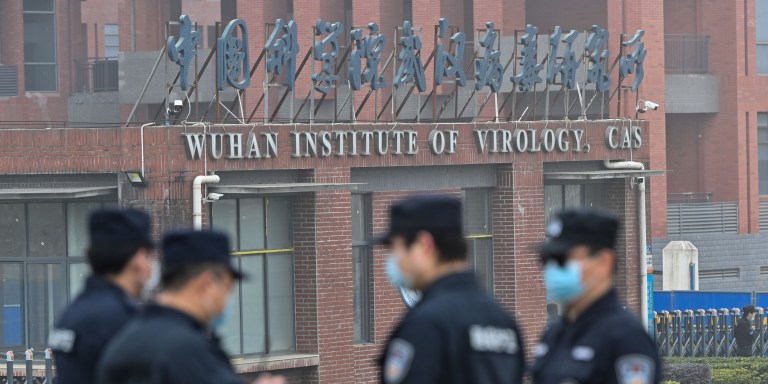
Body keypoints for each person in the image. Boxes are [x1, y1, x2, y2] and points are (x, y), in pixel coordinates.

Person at [96, 230, 283, 384]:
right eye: (227, 288)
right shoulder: (189, 352)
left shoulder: (124, 340)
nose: (228, 297)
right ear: (206, 285)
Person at [375, 195, 525, 384]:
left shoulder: (426, 324)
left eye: (394, 248)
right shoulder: (503, 321)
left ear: (424, 245)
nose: (392, 260)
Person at [531, 210, 661, 384]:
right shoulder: (555, 334)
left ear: (604, 262)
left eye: (563, 260)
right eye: (547, 260)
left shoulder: (626, 339)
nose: (553, 268)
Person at [49, 208, 158, 384]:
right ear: (138, 259)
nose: (153, 265)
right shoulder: (123, 320)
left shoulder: (72, 312)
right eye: (151, 257)